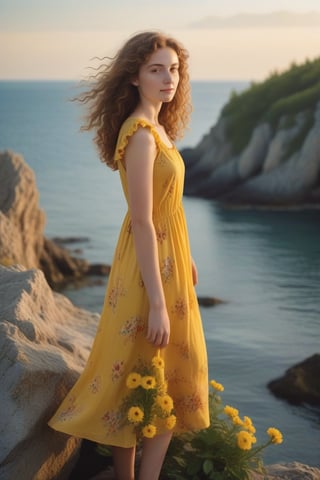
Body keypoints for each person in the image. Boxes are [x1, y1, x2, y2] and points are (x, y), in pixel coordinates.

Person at [48, 31, 209, 480]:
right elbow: (142, 220)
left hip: (170, 260)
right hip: (146, 270)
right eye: (156, 69)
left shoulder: (161, 128)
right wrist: (157, 302)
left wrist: (188, 254)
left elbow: (168, 208)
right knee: (137, 376)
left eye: (173, 68)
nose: (168, 77)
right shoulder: (140, 135)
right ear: (135, 77)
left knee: (172, 375)